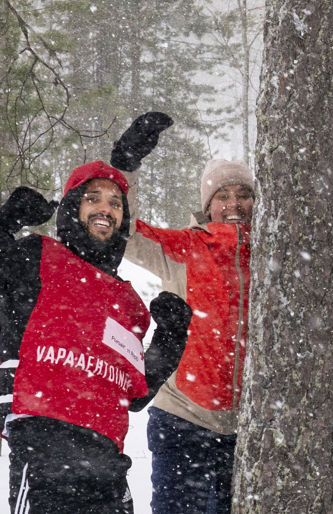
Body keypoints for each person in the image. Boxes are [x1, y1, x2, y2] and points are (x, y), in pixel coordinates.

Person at [0, 112, 192, 512]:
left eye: (115, 202)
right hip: (44, 451)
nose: (106, 209)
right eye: (92, 199)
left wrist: (173, 334)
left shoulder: (130, 303)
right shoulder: (37, 256)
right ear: (71, 206)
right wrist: (6, 223)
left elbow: (136, 389)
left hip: (108, 463)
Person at [119, 159, 257, 514]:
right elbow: (127, 231)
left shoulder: (272, 254)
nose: (234, 204)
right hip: (181, 419)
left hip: (248, 428)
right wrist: (126, 167)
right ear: (207, 205)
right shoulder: (184, 246)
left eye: (243, 194)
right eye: (222, 195)